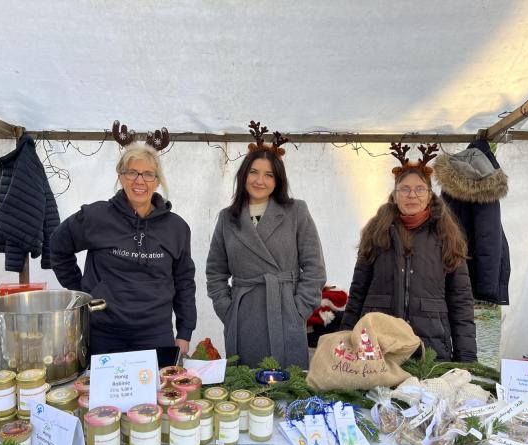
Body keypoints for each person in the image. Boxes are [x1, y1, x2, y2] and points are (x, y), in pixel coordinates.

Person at [50, 141, 196, 356]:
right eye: (132, 173)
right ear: (120, 176)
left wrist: (184, 332)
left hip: (155, 333)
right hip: (103, 332)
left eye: (148, 174)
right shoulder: (95, 216)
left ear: (157, 181)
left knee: (157, 389)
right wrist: (83, 291)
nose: (139, 181)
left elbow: (184, 282)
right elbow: (58, 246)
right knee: (102, 390)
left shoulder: (176, 227)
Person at [340, 143, 477, 362]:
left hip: (430, 349)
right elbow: (357, 294)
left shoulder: (447, 237)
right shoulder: (376, 233)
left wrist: (467, 359)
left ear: (430, 195)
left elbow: (461, 303)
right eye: (404, 189)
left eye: (420, 189)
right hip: (378, 346)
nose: (412, 195)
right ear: (394, 195)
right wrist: (344, 341)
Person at [206, 121, 326, 368]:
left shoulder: (296, 211)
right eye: (254, 172)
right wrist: (228, 310)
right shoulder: (227, 218)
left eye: (269, 174)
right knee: (246, 390)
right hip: (243, 314)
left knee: (287, 388)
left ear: (277, 180)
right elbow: (215, 272)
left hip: (285, 311)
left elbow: (314, 268)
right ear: (243, 175)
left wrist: (298, 309)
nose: (260, 180)